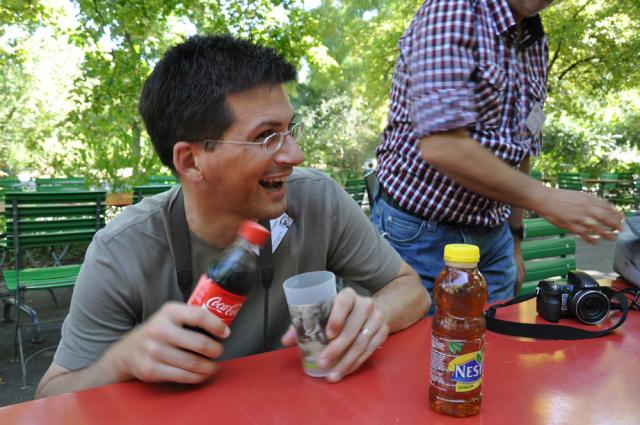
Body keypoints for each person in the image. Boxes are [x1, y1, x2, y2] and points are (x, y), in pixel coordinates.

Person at [35, 35, 429, 398]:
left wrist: (373, 316)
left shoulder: (316, 199)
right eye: (266, 137)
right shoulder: (122, 249)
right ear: (191, 161)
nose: (295, 156)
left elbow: (409, 288)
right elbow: (51, 395)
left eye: (289, 130)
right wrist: (121, 360)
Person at [372, 0, 622, 310]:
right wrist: (546, 198)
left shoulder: (535, 43)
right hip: (420, 235)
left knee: (497, 348)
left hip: (495, 238)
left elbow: (523, 146)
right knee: (431, 350)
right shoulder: (454, 9)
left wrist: (516, 238)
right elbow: (443, 145)